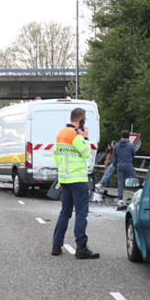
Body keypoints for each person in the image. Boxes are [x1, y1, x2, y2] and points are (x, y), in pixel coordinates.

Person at [52, 107, 99, 259]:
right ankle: (81, 247)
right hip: (78, 180)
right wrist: (85, 137)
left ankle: (56, 245)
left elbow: (55, 156)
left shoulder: (61, 133)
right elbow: (86, 152)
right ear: (81, 120)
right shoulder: (76, 135)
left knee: (65, 212)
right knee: (81, 213)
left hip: (64, 179)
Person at [113, 131, 139, 211]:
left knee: (120, 182)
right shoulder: (130, 145)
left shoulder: (116, 146)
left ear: (121, 136)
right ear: (129, 137)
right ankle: (138, 197)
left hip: (119, 166)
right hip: (128, 165)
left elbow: (114, 158)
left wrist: (115, 166)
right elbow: (133, 154)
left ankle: (120, 199)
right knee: (135, 180)